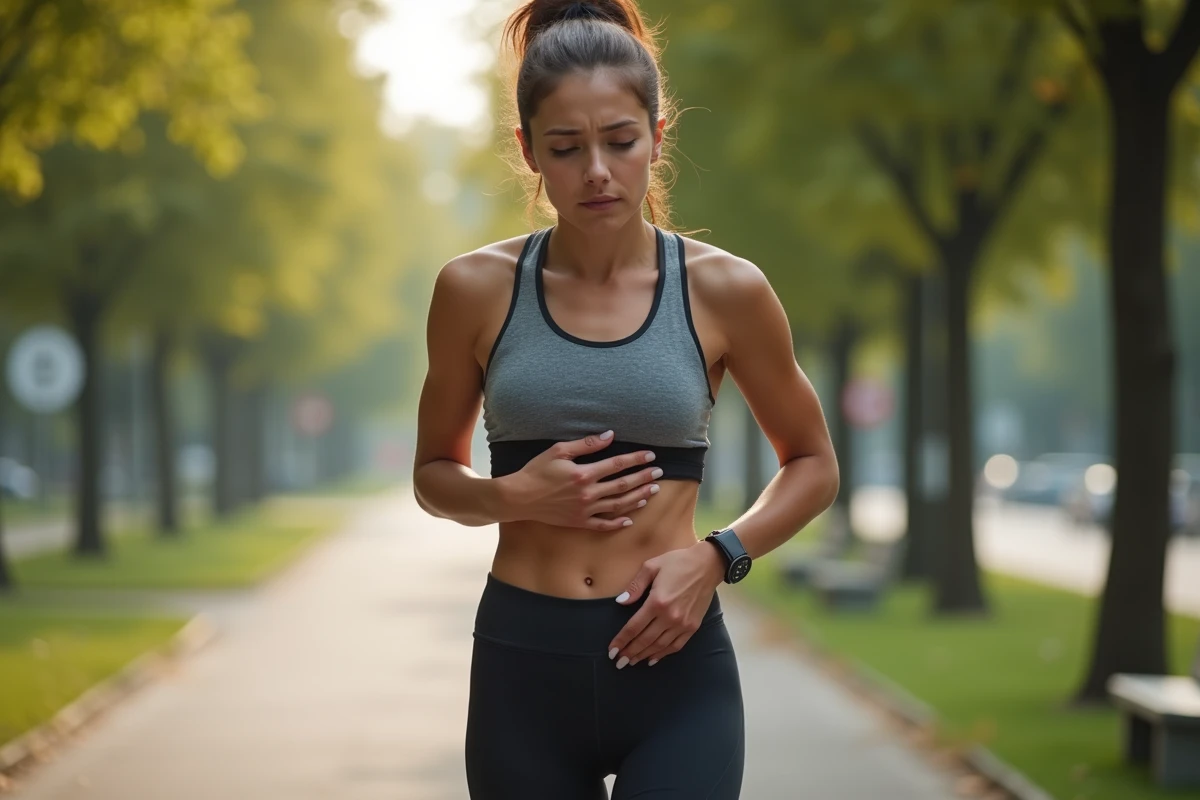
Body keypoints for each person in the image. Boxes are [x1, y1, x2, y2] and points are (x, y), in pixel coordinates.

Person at [412, 0, 839, 796]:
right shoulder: (474, 289)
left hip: (678, 670)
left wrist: (718, 558)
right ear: (528, 150)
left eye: (620, 141)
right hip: (522, 668)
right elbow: (433, 474)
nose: (597, 172)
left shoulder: (725, 290)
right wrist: (512, 496)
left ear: (658, 136)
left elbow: (813, 463)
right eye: (567, 148)